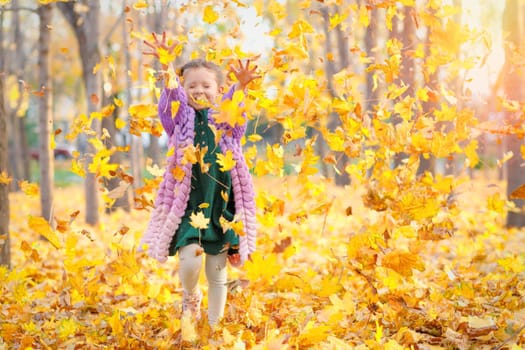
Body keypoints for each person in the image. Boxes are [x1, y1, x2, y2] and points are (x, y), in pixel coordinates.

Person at [139, 32, 258, 328]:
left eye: (207, 85)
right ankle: (190, 296)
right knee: (190, 261)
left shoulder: (227, 123)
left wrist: (241, 86)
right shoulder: (179, 123)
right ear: (184, 89)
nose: (199, 90)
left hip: (221, 207)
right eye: (191, 85)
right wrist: (168, 70)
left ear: (219, 89)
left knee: (217, 273)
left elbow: (237, 109)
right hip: (189, 207)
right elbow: (169, 102)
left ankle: (215, 327)